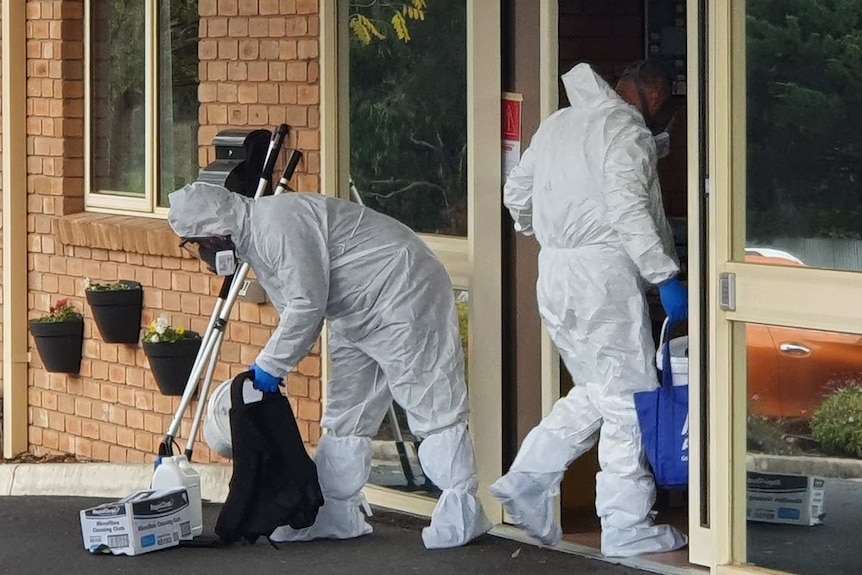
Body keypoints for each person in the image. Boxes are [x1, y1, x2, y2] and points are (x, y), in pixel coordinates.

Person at [168, 183, 492, 549]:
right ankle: (336, 513)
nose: (200, 253)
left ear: (215, 231)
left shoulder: (276, 225)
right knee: (346, 412)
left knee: (428, 398)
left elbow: (306, 304)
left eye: (195, 243)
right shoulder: (253, 241)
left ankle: (461, 511)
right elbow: (299, 309)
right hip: (355, 307)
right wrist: (274, 366)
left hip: (402, 289)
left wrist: (271, 366)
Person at [490, 60, 689, 558]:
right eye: (664, 103)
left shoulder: (558, 124)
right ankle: (626, 526)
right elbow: (627, 206)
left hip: (555, 272)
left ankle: (528, 478)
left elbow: (517, 192)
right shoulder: (625, 129)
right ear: (656, 93)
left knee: (597, 389)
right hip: (603, 277)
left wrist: (547, 233)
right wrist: (663, 273)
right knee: (630, 400)